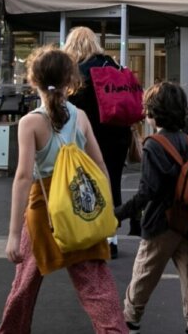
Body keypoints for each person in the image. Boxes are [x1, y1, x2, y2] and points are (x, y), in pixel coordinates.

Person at [0, 45, 127, 334]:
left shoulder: (30, 123)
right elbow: (100, 165)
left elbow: (22, 178)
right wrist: (106, 213)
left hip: (44, 210)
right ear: (71, 80)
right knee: (97, 286)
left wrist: (14, 234)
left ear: (33, 81)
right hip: (80, 206)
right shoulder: (80, 116)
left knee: (24, 286)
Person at [114, 81, 188, 334]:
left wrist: (120, 214)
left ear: (153, 112)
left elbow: (148, 192)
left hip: (160, 224)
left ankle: (130, 321)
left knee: (144, 274)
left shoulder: (153, 144)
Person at [63, 26, 132, 260]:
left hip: (89, 136)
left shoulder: (76, 71)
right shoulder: (112, 65)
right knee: (111, 181)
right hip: (119, 135)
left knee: (86, 183)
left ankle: (90, 235)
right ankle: (111, 238)